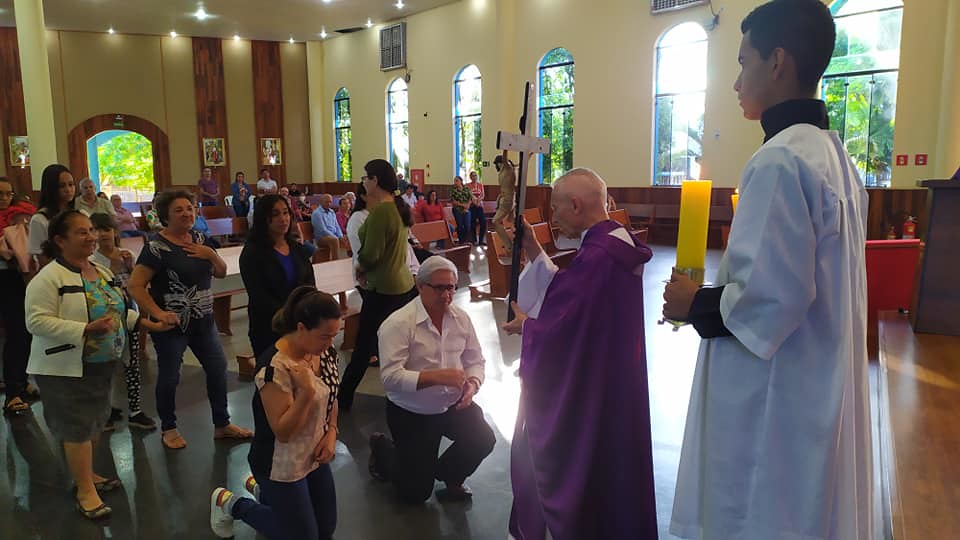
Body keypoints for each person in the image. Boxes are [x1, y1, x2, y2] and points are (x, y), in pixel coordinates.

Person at [663, 2, 872, 539]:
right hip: (816, 378)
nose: (736, 82)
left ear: (777, 62)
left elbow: (770, 300)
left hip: (777, 393)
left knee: (760, 513)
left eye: (743, 62)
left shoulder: (782, 158)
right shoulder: (835, 157)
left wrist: (693, 302)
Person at [502, 168, 657, 539]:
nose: (553, 217)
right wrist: (532, 247)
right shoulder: (615, 239)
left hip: (592, 385)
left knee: (576, 462)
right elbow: (571, 293)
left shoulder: (600, 255)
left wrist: (528, 327)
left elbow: (564, 325)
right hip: (611, 375)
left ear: (575, 205)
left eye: (555, 208)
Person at [25, 210, 143, 519]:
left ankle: (87, 474)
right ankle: (85, 491)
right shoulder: (48, 277)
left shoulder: (99, 270)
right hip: (65, 367)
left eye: (92, 230)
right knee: (77, 427)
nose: (92, 236)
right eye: (82, 232)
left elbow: (117, 308)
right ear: (60, 240)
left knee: (94, 422)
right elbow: (36, 321)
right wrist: (84, 329)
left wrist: (145, 322)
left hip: (102, 364)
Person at [210, 286, 341, 539]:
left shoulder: (324, 352)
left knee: (326, 529)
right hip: (280, 462)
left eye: (334, 335)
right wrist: (306, 393)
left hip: (314, 452)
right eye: (325, 336)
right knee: (304, 536)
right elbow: (283, 432)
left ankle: (269, 497)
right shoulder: (274, 368)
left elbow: (332, 395)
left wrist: (331, 432)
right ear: (301, 328)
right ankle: (232, 504)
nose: (330, 343)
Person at [128, 190, 252, 450]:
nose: (186, 213)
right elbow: (135, 286)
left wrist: (211, 255)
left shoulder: (201, 239)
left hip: (204, 322)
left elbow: (221, 272)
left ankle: (222, 424)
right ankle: (169, 427)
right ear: (165, 216)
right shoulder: (156, 248)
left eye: (189, 208)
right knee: (170, 376)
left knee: (217, 368)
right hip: (172, 325)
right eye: (179, 210)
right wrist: (158, 313)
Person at [369, 256, 495, 503]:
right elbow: (391, 378)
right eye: (439, 288)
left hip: (452, 404)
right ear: (420, 286)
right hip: (412, 411)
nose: (446, 295)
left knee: (482, 438)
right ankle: (384, 450)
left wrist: (473, 384)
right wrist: (438, 377)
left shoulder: (461, 318)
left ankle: (449, 475)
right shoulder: (398, 324)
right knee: (414, 495)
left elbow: (475, 359)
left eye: (451, 288)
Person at [338, 159, 417, 411]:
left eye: (365, 177)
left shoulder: (382, 211)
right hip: (403, 284)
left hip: (384, 287)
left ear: (375, 180)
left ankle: (342, 399)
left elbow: (370, 254)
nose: (363, 182)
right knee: (399, 343)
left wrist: (360, 269)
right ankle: (407, 392)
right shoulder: (396, 207)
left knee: (363, 347)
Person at [89, 212, 159, 431]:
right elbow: (100, 288)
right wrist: (114, 266)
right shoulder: (92, 261)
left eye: (106, 229)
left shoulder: (126, 254)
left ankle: (135, 410)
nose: (103, 235)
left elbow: (137, 284)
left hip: (129, 314)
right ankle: (105, 409)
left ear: (115, 232)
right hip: (107, 318)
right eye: (96, 230)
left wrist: (129, 266)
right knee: (106, 365)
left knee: (132, 362)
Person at [240, 195, 317, 359]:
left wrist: (308, 309)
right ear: (263, 218)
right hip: (269, 326)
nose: (283, 219)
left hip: (300, 324)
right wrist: (289, 314)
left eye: (285, 213)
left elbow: (309, 282)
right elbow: (258, 294)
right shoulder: (252, 252)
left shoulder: (296, 247)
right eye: (275, 214)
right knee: (274, 371)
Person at [0, 178, 36, 415]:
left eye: (8, 194)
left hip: (22, 276)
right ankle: (12, 391)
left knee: (26, 330)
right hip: (4, 279)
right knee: (15, 332)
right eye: (0, 194)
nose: (4, 198)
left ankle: (22, 382)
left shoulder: (20, 215)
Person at [29, 164, 76, 271]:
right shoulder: (39, 219)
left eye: (71, 184)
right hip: (56, 272)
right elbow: (42, 258)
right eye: (62, 186)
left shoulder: (80, 213)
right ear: (50, 188)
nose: (68, 190)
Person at [492, 152, 517, 252]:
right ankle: (515, 242)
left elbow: (505, 158)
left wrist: (505, 147)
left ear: (499, 163)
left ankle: (508, 245)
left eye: (497, 164)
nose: (497, 166)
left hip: (508, 199)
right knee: (512, 221)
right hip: (508, 198)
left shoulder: (507, 168)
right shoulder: (508, 169)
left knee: (495, 221)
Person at [310, 194, 342, 262]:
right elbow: (322, 230)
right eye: (326, 202)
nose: (329, 204)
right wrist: (335, 236)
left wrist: (340, 236)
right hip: (321, 238)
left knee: (346, 237)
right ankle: (336, 262)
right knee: (334, 240)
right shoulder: (317, 213)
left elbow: (337, 226)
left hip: (332, 236)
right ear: (321, 202)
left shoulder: (332, 212)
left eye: (330, 202)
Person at [449, 176, 472, 245]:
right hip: (457, 210)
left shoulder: (466, 188)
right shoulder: (453, 190)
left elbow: (470, 198)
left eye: (457, 181)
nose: (455, 182)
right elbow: (453, 201)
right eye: (454, 181)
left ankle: (465, 240)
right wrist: (463, 205)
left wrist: (467, 206)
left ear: (461, 181)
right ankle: (461, 241)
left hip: (466, 209)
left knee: (467, 226)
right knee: (460, 225)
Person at [467, 171, 487, 245]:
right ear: (470, 177)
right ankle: (474, 240)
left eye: (475, 175)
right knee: (473, 223)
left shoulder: (480, 185)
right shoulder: (468, 185)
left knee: (483, 223)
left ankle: (481, 240)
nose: (474, 177)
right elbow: (470, 195)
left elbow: (482, 195)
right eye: (473, 176)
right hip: (472, 206)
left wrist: (478, 201)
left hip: (479, 206)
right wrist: (474, 201)